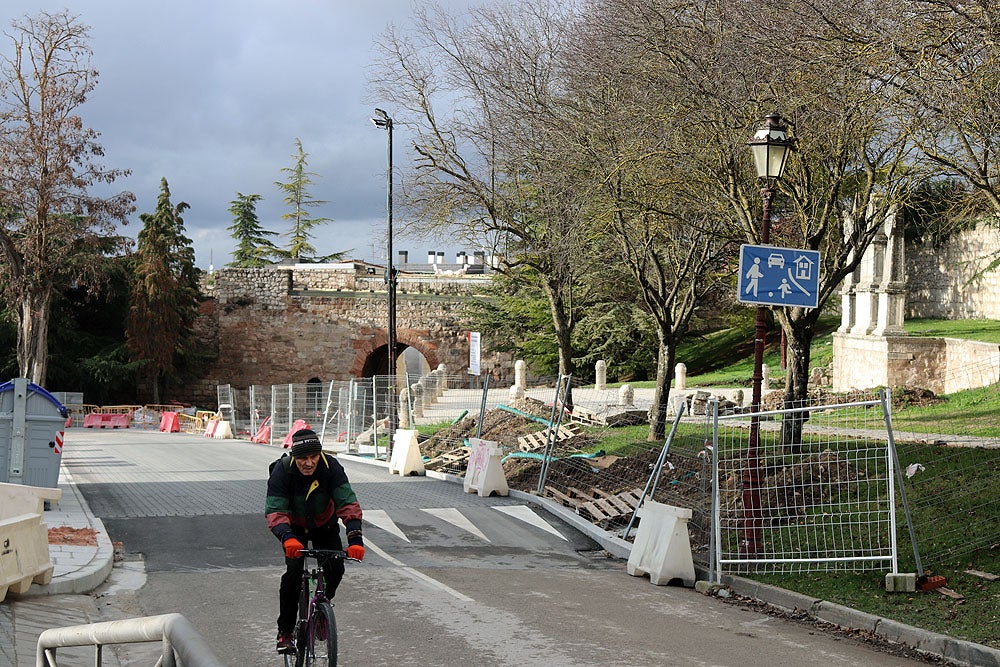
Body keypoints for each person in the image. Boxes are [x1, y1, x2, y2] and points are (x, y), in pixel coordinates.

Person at [265, 428, 365, 654]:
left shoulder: (331, 468)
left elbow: (348, 503)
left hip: (324, 525)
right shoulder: (282, 471)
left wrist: (355, 538)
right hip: (294, 529)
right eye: (302, 458)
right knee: (292, 574)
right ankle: (286, 632)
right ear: (294, 456)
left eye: (314, 457)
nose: (309, 463)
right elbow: (275, 510)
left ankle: (322, 608)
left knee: (336, 568)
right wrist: (287, 537)